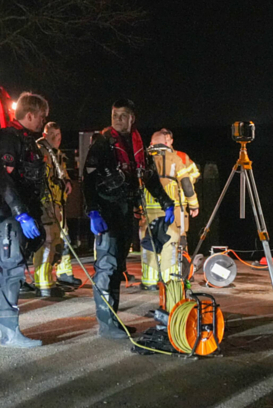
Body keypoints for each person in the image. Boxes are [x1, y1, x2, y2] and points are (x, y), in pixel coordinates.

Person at [83, 99, 174, 339]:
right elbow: (88, 179)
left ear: (132, 118)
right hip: (106, 212)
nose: (118, 119)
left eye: (123, 115)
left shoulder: (137, 143)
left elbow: (150, 176)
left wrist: (167, 202)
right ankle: (106, 324)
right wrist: (92, 211)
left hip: (125, 213)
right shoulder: (103, 143)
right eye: (114, 115)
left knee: (117, 268)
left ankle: (113, 319)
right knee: (106, 267)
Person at [0, 92, 49, 348]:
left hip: (5, 213)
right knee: (11, 271)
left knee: (2, 267)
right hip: (6, 214)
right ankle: (10, 333)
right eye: (41, 117)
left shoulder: (24, 139)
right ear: (30, 114)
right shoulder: (10, 139)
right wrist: (20, 212)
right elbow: (3, 179)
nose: (43, 122)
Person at [140, 130, 199, 310]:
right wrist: (194, 204)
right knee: (171, 245)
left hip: (147, 210)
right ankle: (171, 280)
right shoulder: (176, 158)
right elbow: (189, 181)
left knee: (148, 244)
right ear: (168, 140)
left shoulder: (143, 158)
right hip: (172, 210)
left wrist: (136, 208)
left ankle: (149, 280)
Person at [33, 121, 78, 297]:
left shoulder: (56, 154)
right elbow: (42, 181)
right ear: (45, 135)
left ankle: (49, 280)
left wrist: (67, 182)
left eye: (58, 136)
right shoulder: (41, 152)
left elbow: (61, 175)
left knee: (55, 243)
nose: (56, 139)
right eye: (52, 135)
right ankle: (43, 283)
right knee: (46, 242)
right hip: (46, 205)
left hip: (56, 204)